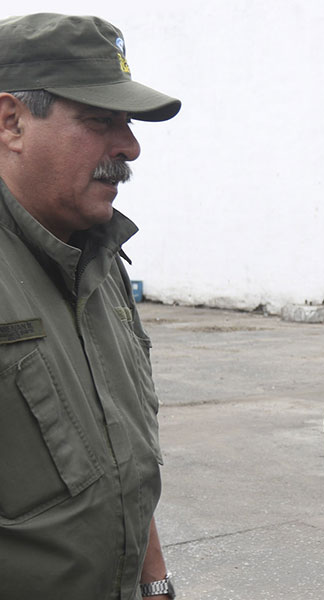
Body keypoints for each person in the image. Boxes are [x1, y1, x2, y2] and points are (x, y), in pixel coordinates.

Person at [0, 13, 181, 599]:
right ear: (11, 122)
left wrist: (156, 583)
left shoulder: (100, 260)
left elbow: (121, 456)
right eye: (100, 120)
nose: (130, 147)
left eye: (127, 123)